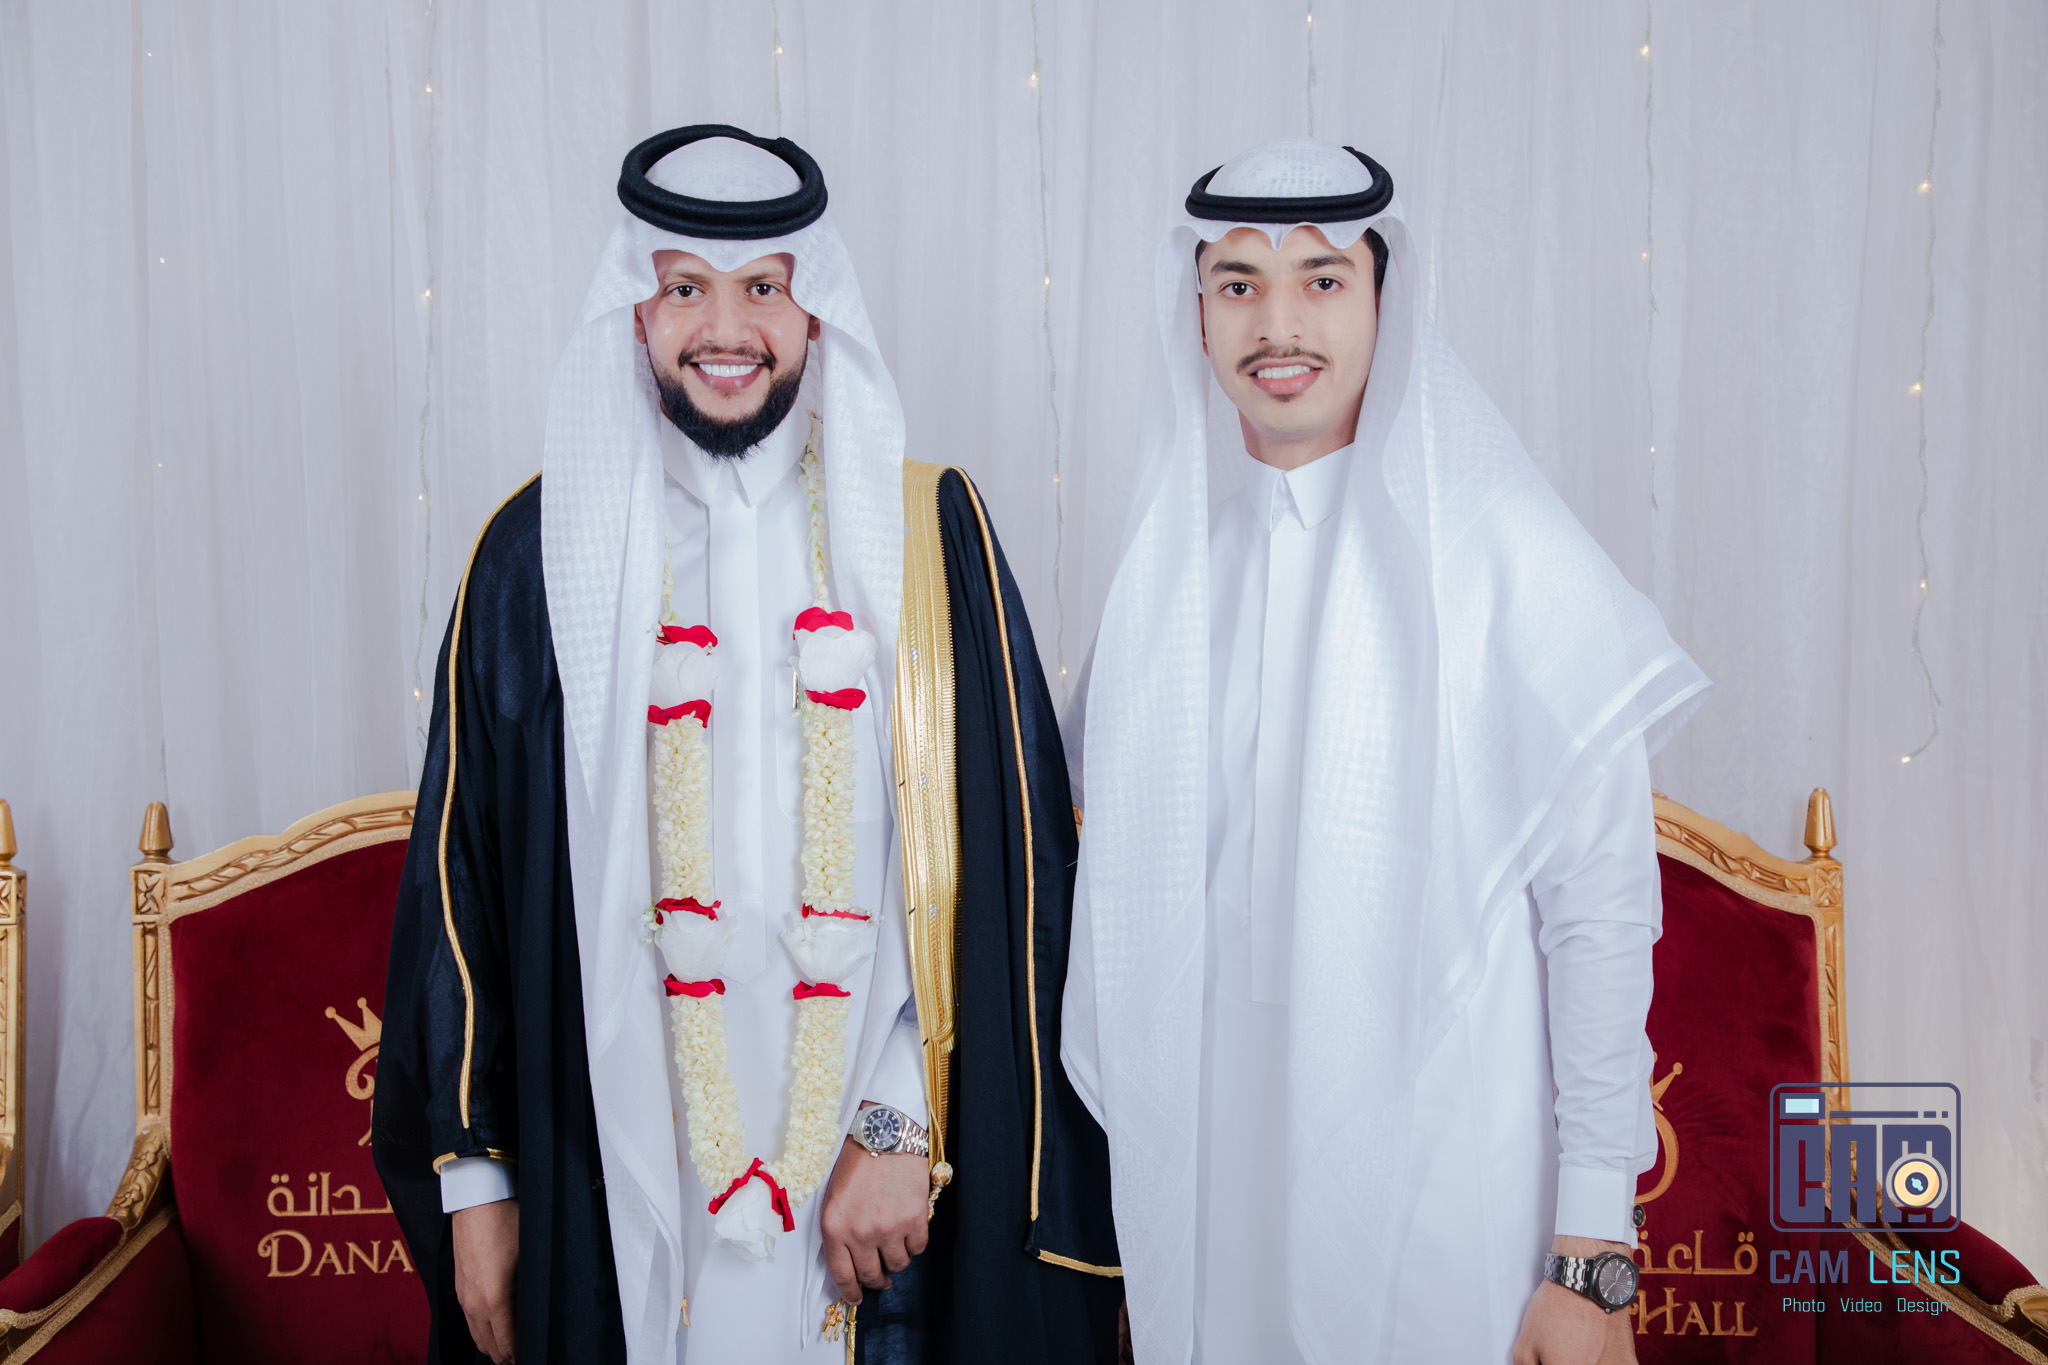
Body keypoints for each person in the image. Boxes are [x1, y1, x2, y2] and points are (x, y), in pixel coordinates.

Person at [373, 125, 1122, 1365]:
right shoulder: (537, 556)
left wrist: (900, 1124)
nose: (726, 329)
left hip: (867, 1185)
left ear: (814, 311)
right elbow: (460, 889)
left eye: (762, 288)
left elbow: (1020, 881)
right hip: (609, 1162)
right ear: (635, 312)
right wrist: (477, 1181)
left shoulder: (926, 539)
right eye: (685, 289)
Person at [1059, 137, 1710, 1364]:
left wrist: (1590, 1258)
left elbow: (1599, 918)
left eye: (1321, 279)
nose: (1277, 325)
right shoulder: (1167, 591)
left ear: (1381, 301)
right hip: (1218, 1203)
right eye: (1238, 283)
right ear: (1194, 315)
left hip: (1449, 1203)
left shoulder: (1508, 562)